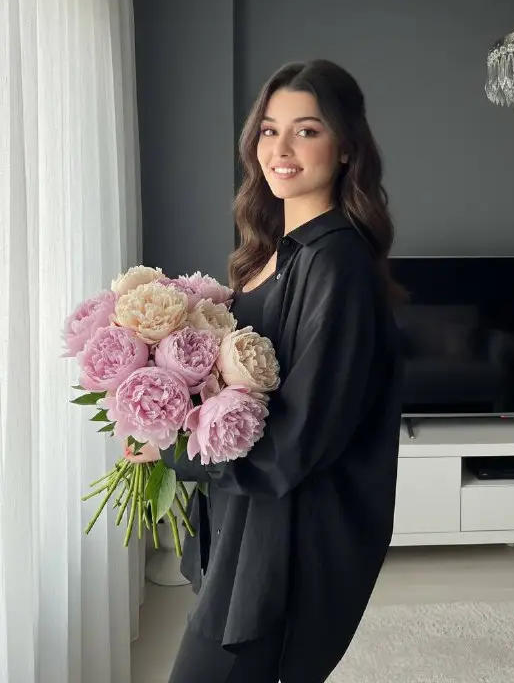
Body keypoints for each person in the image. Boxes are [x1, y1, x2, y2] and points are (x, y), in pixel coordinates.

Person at [158, 59, 403, 682]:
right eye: (269, 130)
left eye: (307, 130)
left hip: (288, 542)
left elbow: (299, 438)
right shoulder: (271, 253)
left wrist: (174, 447)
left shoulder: (335, 263)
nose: (281, 149)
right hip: (249, 524)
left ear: (346, 147)